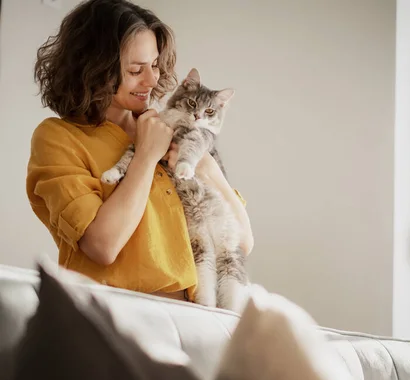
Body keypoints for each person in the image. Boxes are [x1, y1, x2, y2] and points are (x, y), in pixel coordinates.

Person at [26, 0, 253, 303]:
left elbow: (243, 241)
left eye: (155, 66)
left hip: (193, 318)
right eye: (135, 69)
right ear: (94, 69)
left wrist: (208, 169)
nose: (152, 81)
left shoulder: (170, 128)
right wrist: (145, 157)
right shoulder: (57, 137)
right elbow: (103, 246)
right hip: (109, 318)